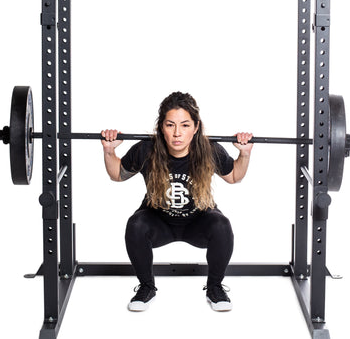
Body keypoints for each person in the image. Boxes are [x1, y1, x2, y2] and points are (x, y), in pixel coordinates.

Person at [101, 91, 253, 312]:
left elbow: (234, 177)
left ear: (196, 126)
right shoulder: (147, 149)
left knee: (222, 225)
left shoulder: (209, 150)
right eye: (170, 125)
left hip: (198, 222)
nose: (177, 134)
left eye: (184, 125)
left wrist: (245, 154)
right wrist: (109, 151)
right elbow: (117, 174)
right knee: (135, 225)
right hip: (158, 221)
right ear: (161, 127)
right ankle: (146, 286)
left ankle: (215, 287)